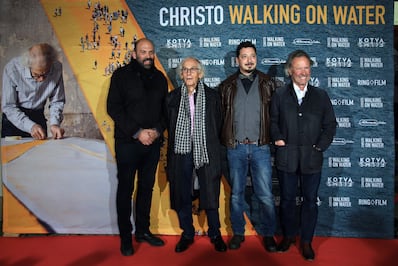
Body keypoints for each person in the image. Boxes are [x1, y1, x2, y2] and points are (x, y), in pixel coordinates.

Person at [270, 50, 336, 261]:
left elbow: (330, 125)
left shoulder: (321, 96)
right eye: (298, 68)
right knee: (287, 200)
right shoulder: (279, 95)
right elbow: (272, 121)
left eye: (306, 67)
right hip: (286, 158)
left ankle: (306, 241)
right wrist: (278, 138)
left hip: (311, 159)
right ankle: (289, 237)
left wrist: (320, 146)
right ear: (290, 71)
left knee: (309, 201)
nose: (303, 72)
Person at [107, 38, 168, 256]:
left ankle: (143, 231)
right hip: (127, 144)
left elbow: (165, 112)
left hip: (152, 144)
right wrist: (137, 132)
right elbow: (113, 108)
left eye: (151, 52)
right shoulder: (121, 76)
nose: (148, 56)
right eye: (143, 52)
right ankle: (126, 237)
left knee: (146, 188)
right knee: (125, 190)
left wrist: (156, 131)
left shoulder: (160, 78)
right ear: (134, 54)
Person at [218, 41, 278, 252]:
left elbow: (278, 115)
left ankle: (269, 235)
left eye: (252, 56)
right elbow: (220, 119)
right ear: (237, 60)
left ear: (256, 58)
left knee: (265, 195)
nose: (249, 60)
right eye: (244, 56)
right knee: (236, 195)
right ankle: (238, 233)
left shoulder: (269, 83)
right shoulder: (226, 86)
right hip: (235, 149)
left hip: (261, 147)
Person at [166, 57, 227, 253]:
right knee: (182, 192)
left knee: (210, 193)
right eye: (185, 69)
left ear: (200, 73)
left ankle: (215, 233)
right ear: (181, 74)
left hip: (207, 150)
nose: (189, 73)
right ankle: (187, 233)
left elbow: (219, 125)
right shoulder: (172, 98)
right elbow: (169, 126)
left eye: (193, 69)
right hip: (181, 152)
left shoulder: (213, 97)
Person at [1, 43, 65, 140]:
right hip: (13, 119)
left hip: (38, 115)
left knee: (40, 153)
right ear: (28, 65)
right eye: (37, 75)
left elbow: (57, 101)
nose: (41, 80)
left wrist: (55, 124)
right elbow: (9, 106)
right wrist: (30, 126)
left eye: (46, 74)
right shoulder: (12, 69)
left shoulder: (57, 68)